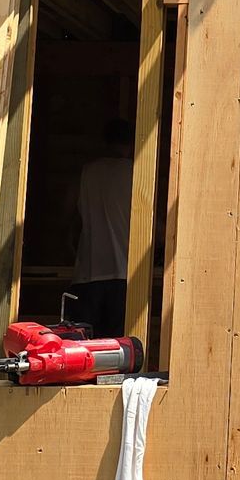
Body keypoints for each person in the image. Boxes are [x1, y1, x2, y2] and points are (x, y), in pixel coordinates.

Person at [70, 115, 134, 339]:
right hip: (124, 272)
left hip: (88, 274)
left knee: (86, 347)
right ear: (131, 143)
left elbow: (70, 218)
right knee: (118, 349)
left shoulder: (88, 172)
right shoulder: (136, 173)